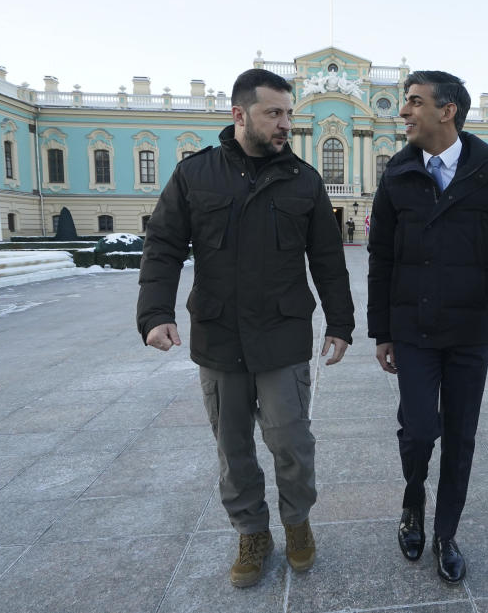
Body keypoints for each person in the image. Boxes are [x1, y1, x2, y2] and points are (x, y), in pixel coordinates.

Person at [136, 68, 354, 588]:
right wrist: (155, 313)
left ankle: (297, 523)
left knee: (292, 443)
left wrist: (341, 322)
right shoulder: (195, 176)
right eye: (273, 113)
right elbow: (163, 245)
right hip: (218, 337)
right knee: (233, 450)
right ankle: (252, 533)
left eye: (288, 113)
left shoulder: (303, 179)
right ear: (239, 115)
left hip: (281, 335)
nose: (285, 124)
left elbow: (327, 259)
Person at [367, 71, 488, 583]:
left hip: (468, 333)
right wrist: (383, 332)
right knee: (419, 430)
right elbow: (380, 258)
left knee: (461, 436)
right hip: (414, 329)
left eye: (414, 102)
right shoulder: (397, 173)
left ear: (448, 111)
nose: (404, 112)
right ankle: (413, 502)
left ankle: (446, 532)